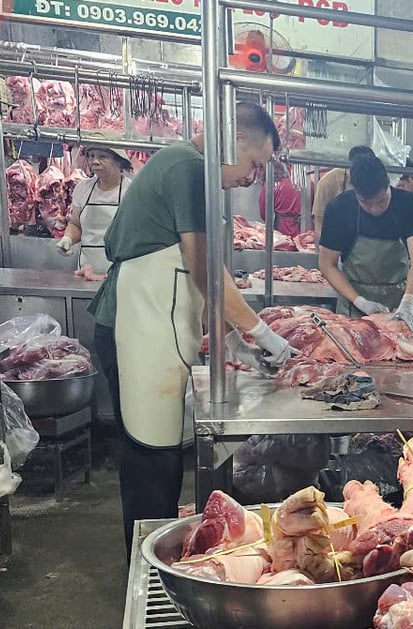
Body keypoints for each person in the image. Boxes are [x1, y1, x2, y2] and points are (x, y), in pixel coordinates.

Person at [89, 101, 297, 549]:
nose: (250, 177)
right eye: (255, 164)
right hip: (135, 325)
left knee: (161, 458)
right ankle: (149, 570)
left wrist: (229, 341)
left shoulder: (188, 168)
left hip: (152, 325)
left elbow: (194, 283)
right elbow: (203, 268)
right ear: (237, 138)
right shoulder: (188, 168)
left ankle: (159, 558)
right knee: (151, 462)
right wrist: (260, 332)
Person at [318, 153, 413, 331]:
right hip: (353, 307)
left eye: (382, 200)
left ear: (389, 185)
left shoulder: (407, 204)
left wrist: (409, 301)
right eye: (366, 203)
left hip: (398, 306)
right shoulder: (339, 208)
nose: (375, 208)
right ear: (356, 193)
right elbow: (327, 264)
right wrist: (360, 301)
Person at [56, 140, 133, 274]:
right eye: (91, 156)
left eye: (102, 157)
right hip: (87, 271)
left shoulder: (132, 190)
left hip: (122, 273)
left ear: (119, 161)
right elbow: (75, 224)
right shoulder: (82, 188)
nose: (94, 161)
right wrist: (68, 238)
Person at [312, 145, 375, 236]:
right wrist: (331, 246)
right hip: (337, 239)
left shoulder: (375, 180)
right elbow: (319, 223)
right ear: (349, 166)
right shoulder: (328, 183)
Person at [259, 160, 303, 237]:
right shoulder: (306, 185)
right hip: (304, 229)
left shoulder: (270, 185)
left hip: (281, 229)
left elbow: (264, 213)